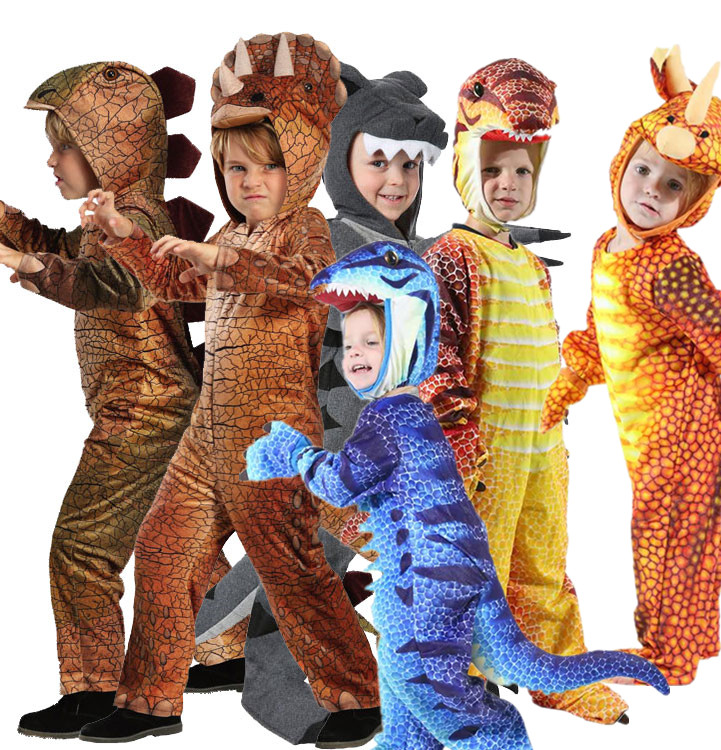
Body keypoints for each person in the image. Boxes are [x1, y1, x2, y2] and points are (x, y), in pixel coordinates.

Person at [241, 241, 669, 750]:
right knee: (408, 726)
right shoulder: (414, 415)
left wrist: (294, 453)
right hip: (438, 583)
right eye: (349, 344)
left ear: (405, 339)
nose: (354, 354)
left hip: (422, 594)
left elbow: (339, 484)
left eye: (371, 342)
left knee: (480, 723)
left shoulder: (389, 420)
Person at [77, 34, 380, 745]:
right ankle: (149, 700)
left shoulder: (308, 232)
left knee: (290, 566)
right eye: (237, 166)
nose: (251, 181)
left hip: (273, 436)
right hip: (207, 433)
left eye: (271, 166)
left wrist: (218, 259)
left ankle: (358, 697)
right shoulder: (232, 233)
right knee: (163, 550)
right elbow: (175, 279)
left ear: (303, 163)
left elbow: (301, 283)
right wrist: (122, 234)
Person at [186, 62, 448, 745]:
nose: (396, 180)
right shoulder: (324, 238)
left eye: (410, 165)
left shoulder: (411, 246)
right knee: (303, 569)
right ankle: (268, 685)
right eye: (378, 161)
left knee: (344, 565)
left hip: (398, 449)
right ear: (341, 161)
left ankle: (211, 630)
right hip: (332, 439)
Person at [419, 57, 630, 723]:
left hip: (542, 445)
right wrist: (457, 437)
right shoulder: (450, 256)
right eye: (493, 170)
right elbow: (436, 353)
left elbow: (542, 348)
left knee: (543, 564)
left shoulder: (534, 266)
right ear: (464, 168)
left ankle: (554, 670)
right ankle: (454, 683)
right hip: (482, 450)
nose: (507, 184)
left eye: (522, 172)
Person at [0, 61, 203, 739]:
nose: (51, 161)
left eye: (64, 146)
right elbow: (66, 250)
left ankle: (92, 690)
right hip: (160, 409)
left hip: (146, 411)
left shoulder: (135, 219)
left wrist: (32, 269)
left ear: (108, 148)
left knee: (82, 548)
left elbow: (115, 284)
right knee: (178, 546)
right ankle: (227, 654)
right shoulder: (109, 220)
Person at [541, 46, 721, 686]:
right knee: (699, 520)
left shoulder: (669, 269)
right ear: (622, 163)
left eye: (673, 185)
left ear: (695, 202)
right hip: (659, 431)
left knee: (668, 537)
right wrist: (566, 386)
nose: (651, 191)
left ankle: (669, 656)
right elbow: (602, 332)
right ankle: (692, 643)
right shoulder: (609, 247)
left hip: (678, 436)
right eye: (643, 171)